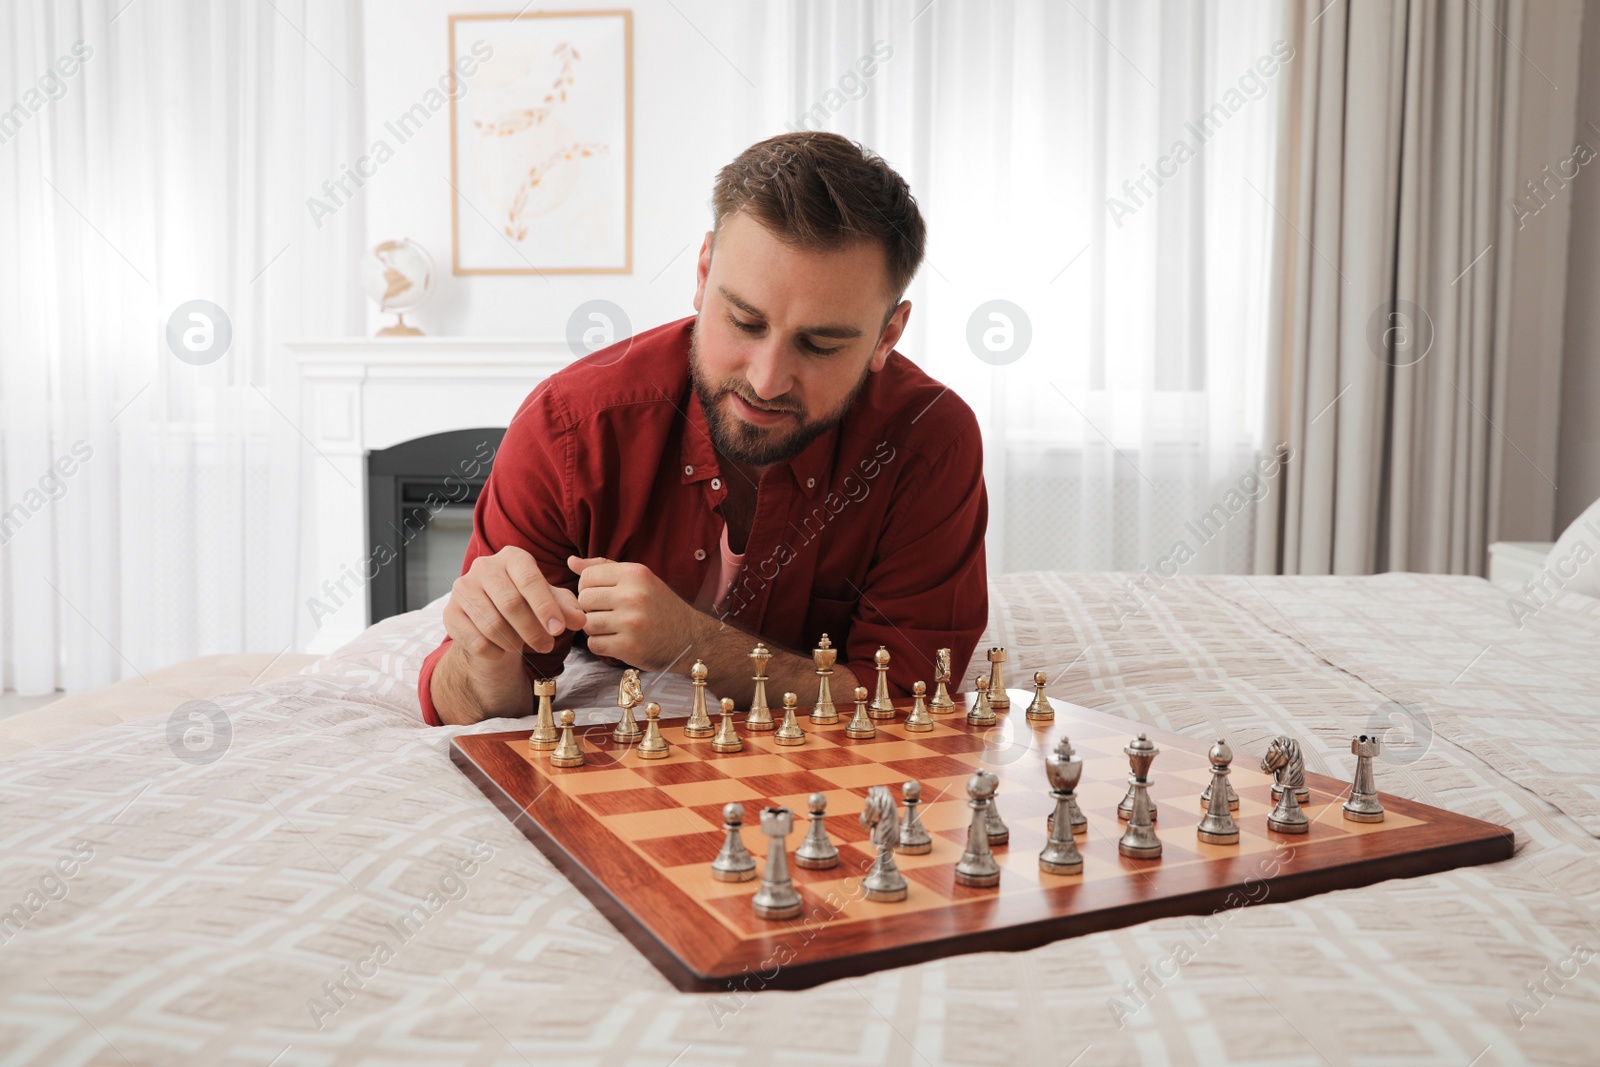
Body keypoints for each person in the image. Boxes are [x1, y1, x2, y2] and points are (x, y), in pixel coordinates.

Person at [419, 131, 988, 727]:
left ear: (888, 336)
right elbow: (471, 703)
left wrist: (694, 643)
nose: (767, 381)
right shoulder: (570, 427)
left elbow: (914, 701)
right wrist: (486, 658)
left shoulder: (930, 441)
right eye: (744, 321)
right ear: (701, 273)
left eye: (820, 345)